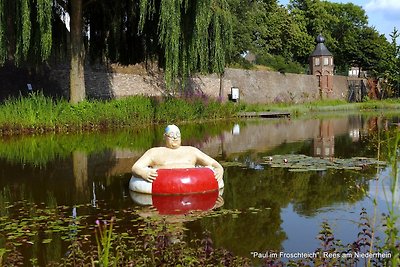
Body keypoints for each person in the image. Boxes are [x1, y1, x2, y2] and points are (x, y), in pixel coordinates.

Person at [131, 124, 224, 183]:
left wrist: (220, 169)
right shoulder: (154, 152)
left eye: (177, 135)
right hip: (162, 188)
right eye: (171, 135)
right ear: (165, 137)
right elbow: (136, 167)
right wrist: (144, 173)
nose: (175, 138)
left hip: (192, 189)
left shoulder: (192, 151)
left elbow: (212, 163)